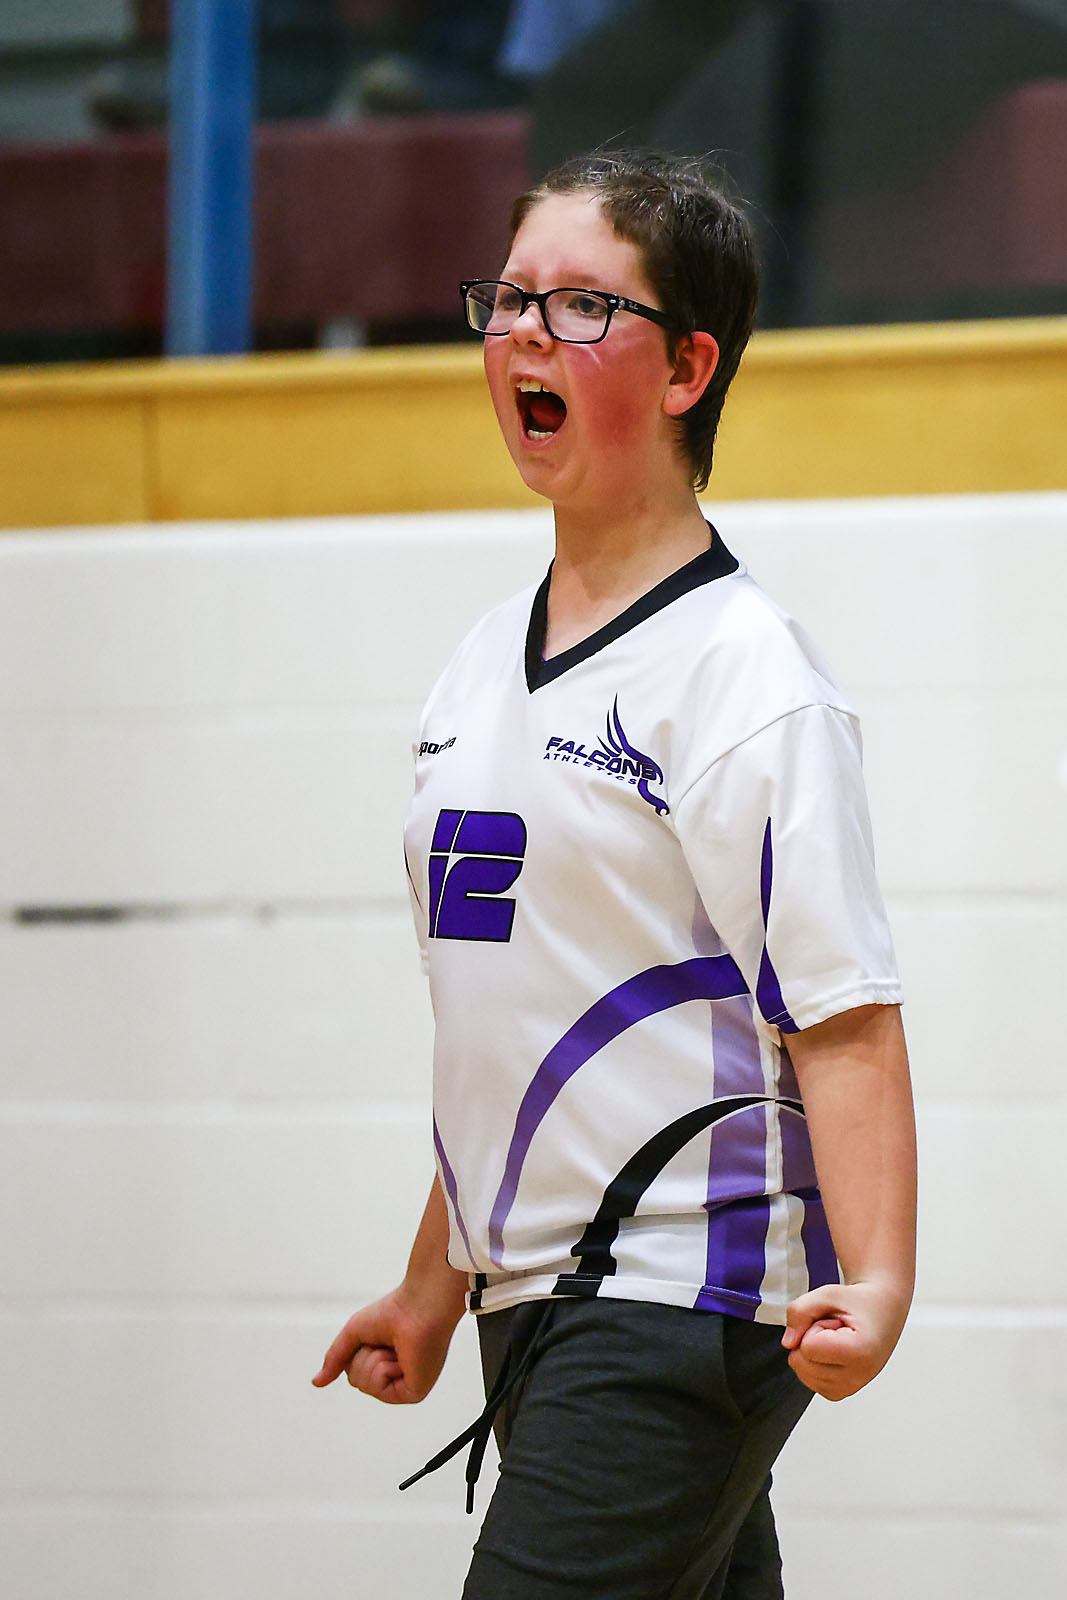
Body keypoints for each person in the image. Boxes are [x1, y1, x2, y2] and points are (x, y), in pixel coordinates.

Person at [312, 150, 917, 1599]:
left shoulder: (746, 675)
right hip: (541, 1305)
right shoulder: (478, 660)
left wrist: (882, 1284)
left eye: (581, 306)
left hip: (674, 1298)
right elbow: (513, 1039)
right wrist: (433, 1283)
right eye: (508, 299)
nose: (524, 333)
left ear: (687, 366)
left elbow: (841, 1012)